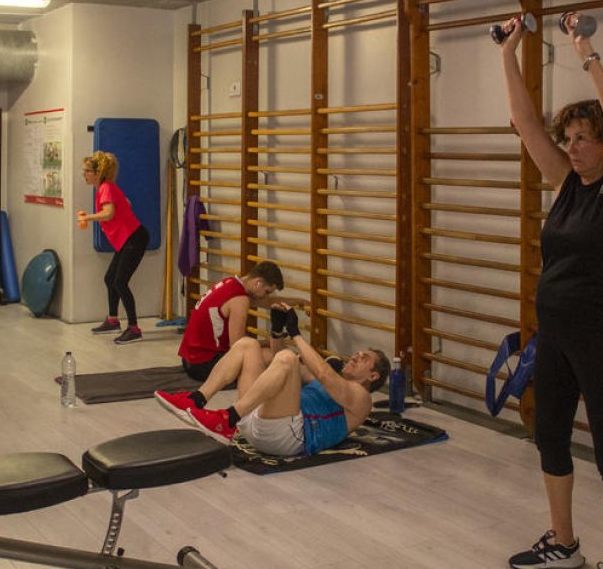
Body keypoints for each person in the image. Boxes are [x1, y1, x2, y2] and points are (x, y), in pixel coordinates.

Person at [495, 13, 603, 569]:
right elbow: (523, 121)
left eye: (585, 139)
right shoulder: (564, 185)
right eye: (570, 139)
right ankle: (564, 543)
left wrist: (585, 51)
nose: (575, 147)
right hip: (557, 335)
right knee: (551, 437)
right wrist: (508, 53)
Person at [156, 306, 389, 456]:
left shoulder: (362, 399)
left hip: (290, 437)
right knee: (248, 345)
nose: (356, 356)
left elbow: (323, 374)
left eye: (364, 358)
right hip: (262, 421)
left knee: (288, 357)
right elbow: (282, 363)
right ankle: (197, 399)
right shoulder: (331, 379)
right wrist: (277, 332)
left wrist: (296, 334)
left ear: (373, 376)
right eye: (357, 354)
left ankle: (227, 418)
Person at [77, 151, 150, 344]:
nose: (84, 174)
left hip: (135, 239)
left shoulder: (105, 187)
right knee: (110, 278)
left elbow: (108, 213)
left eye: (87, 171)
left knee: (120, 282)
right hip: (128, 240)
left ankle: (134, 328)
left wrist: (88, 217)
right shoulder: (105, 188)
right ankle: (112, 320)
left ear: (97, 173)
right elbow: (126, 202)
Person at [177, 260, 286, 381]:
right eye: (267, 292)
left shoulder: (230, 283)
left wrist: (303, 303)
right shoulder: (240, 300)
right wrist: (265, 343)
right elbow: (238, 346)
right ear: (258, 283)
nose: (266, 296)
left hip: (189, 359)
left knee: (262, 351)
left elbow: (270, 303)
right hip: (202, 365)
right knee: (271, 356)